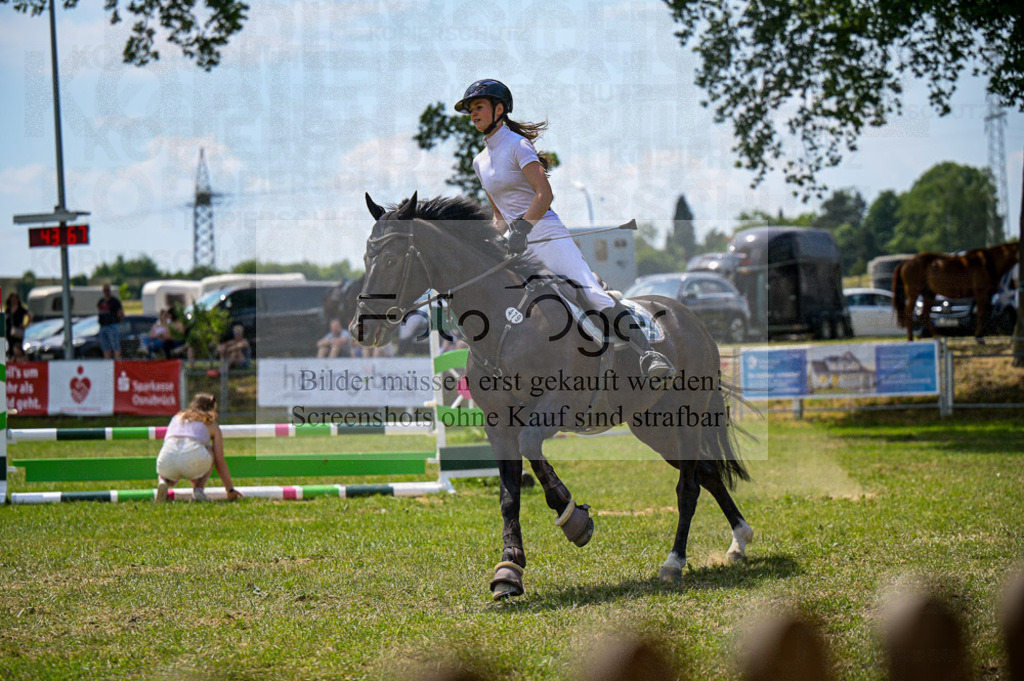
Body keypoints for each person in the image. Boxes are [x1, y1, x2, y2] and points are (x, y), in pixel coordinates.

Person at [454, 79, 674, 378]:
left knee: (590, 292)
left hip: (546, 234)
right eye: (471, 110)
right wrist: (490, 240)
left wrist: (522, 230)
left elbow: (544, 194)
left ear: (500, 109)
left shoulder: (518, 145)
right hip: (516, 242)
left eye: (479, 107)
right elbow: (499, 215)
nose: (473, 114)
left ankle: (648, 354)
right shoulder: (479, 162)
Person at [155, 393, 242, 503]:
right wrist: (230, 489)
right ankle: (199, 489)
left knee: (170, 472)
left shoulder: (177, 417)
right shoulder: (210, 423)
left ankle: (163, 481)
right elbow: (219, 460)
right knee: (209, 450)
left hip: (166, 459)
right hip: (193, 458)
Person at [96, 283, 124, 360]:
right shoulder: (101, 301)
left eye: (107, 290)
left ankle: (117, 360)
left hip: (112, 325)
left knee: (115, 345)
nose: (106, 292)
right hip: (103, 326)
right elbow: (99, 312)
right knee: (105, 347)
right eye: (105, 290)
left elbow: (121, 313)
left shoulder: (114, 301)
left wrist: (117, 322)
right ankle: (107, 362)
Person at [4, 292, 31, 361]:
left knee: (18, 347)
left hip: (18, 332)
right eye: (12, 299)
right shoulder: (8, 310)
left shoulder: (21, 309)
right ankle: (12, 359)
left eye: (14, 299)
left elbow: (30, 315)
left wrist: (25, 325)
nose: (13, 301)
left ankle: (19, 360)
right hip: (9, 332)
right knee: (10, 347)